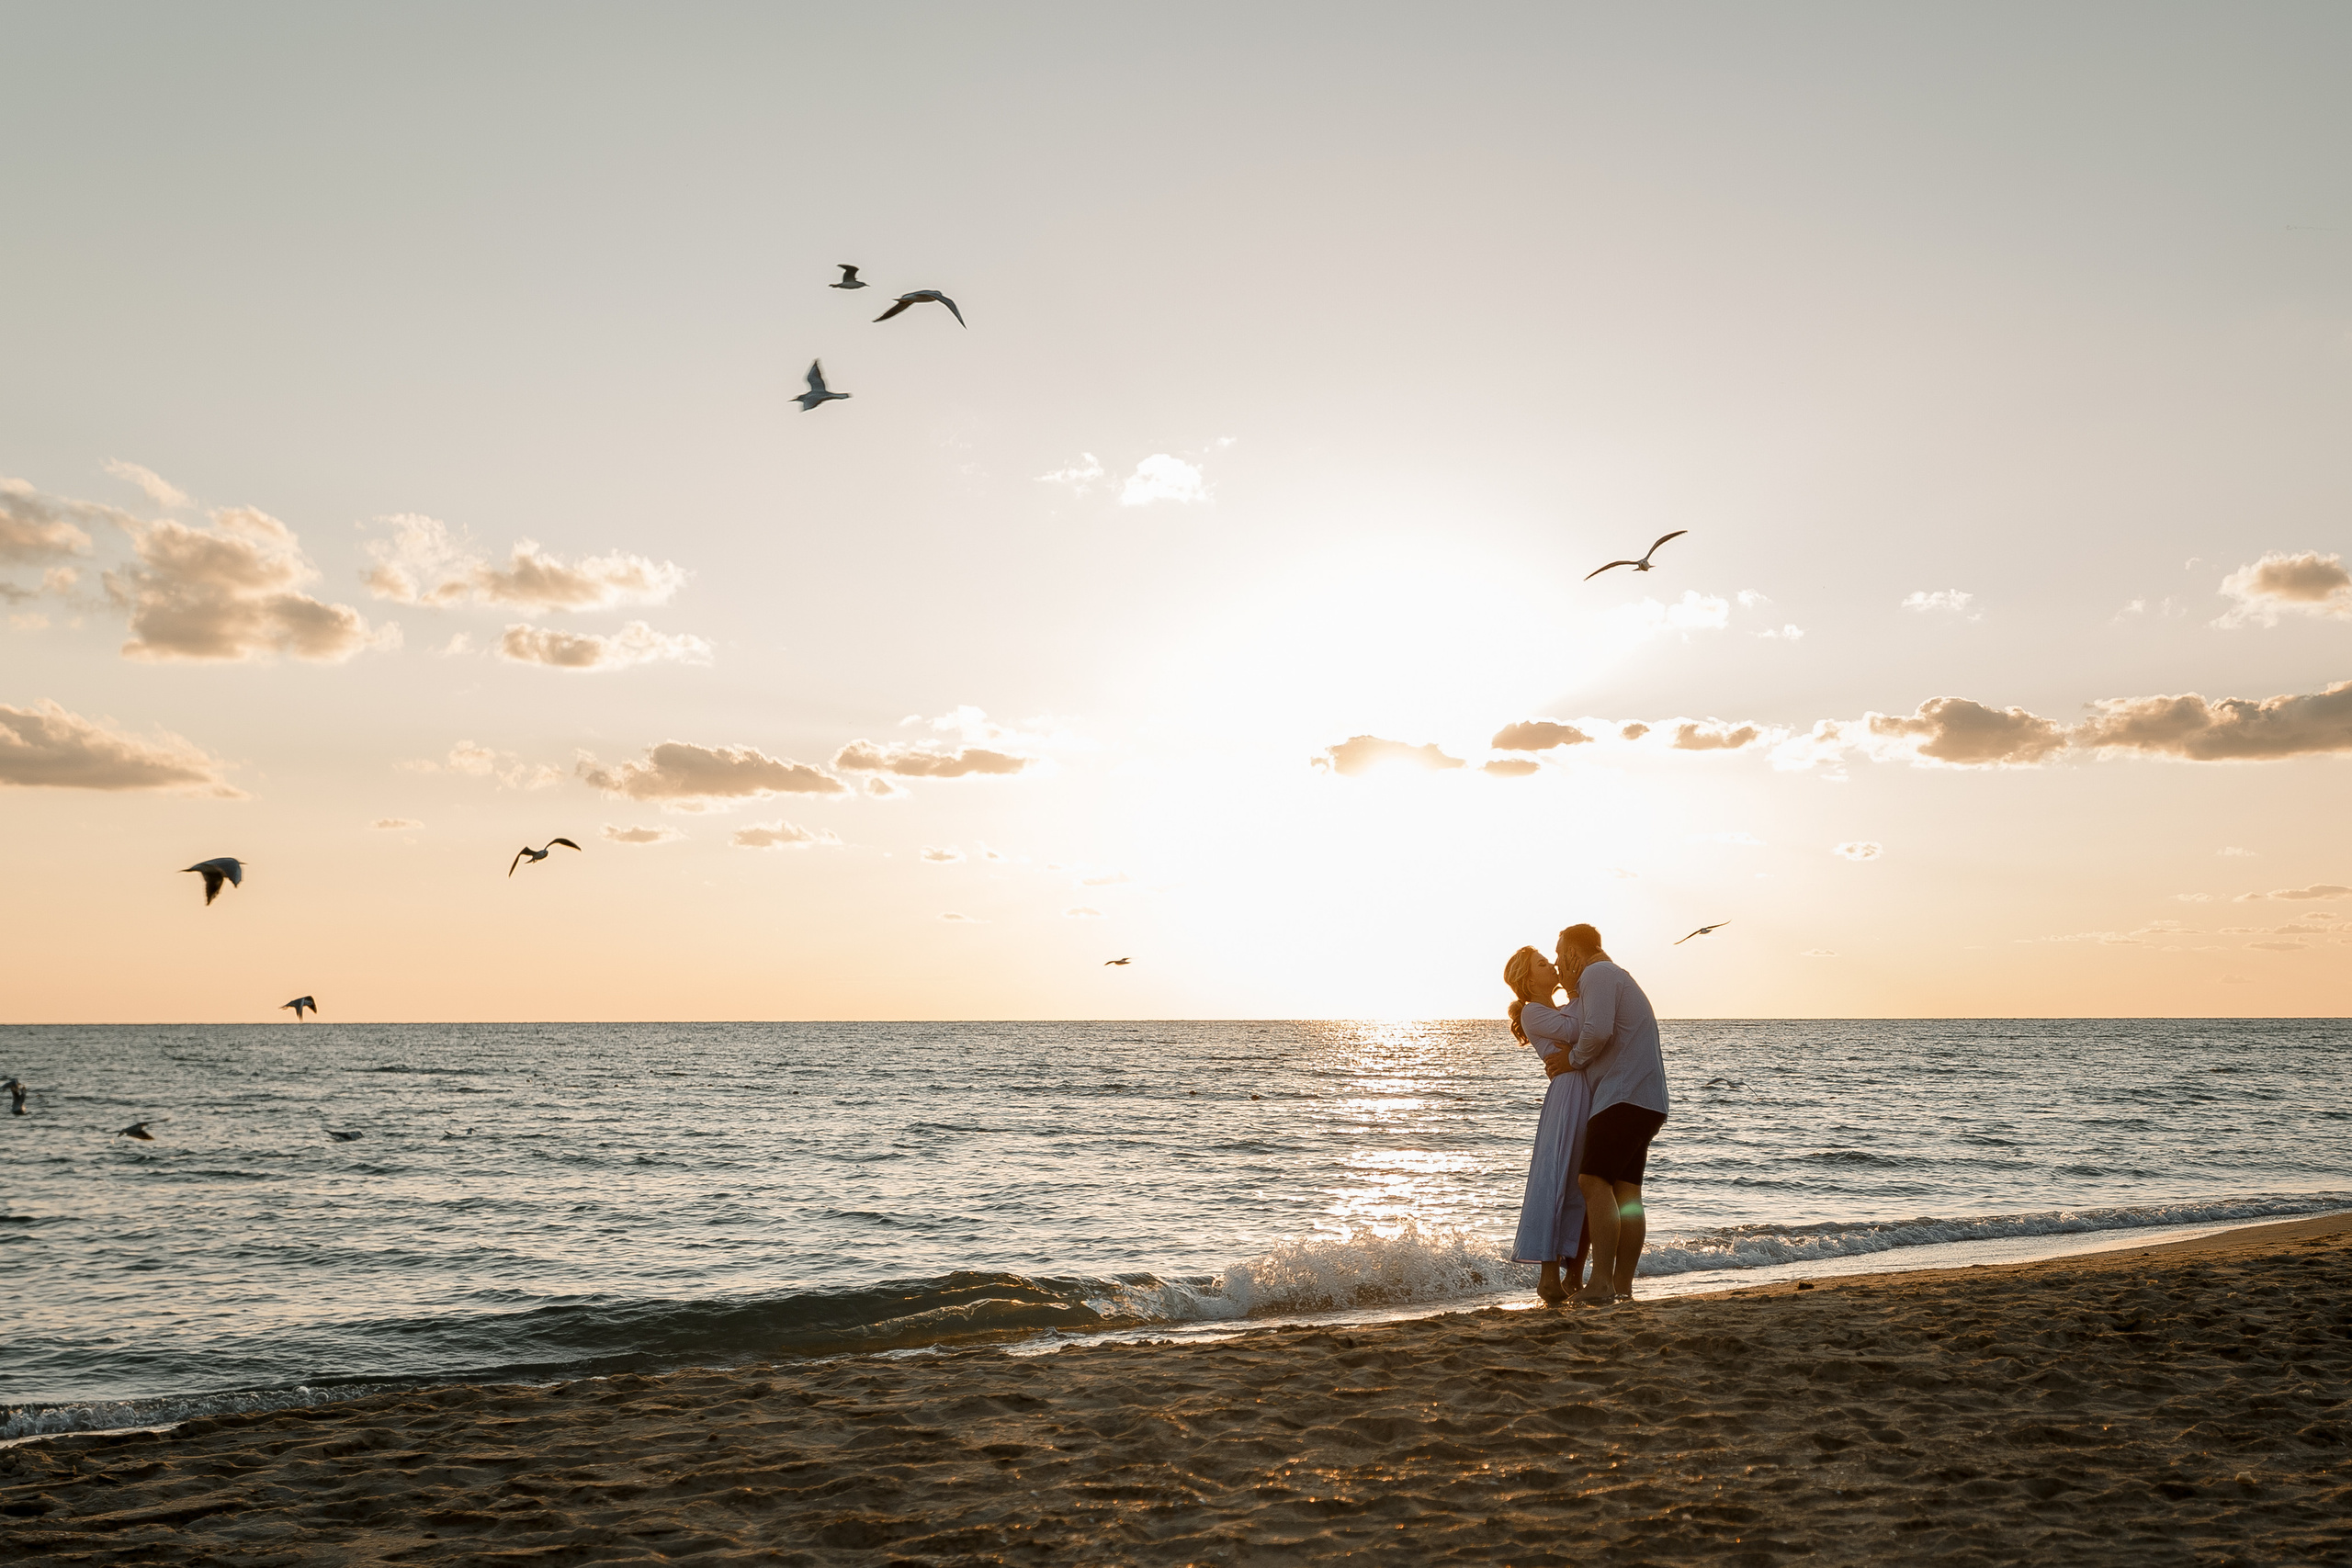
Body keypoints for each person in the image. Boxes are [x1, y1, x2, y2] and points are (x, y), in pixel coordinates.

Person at [1544, 923, 1669, 1306]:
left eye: (1559, 953)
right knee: (1627, 1193)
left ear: (1574, 953)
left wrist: (1572, 1059)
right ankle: (1622, 1286)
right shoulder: (1614, 976)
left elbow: (1597, 1031)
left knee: (1592, 1181)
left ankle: (1601, 1283)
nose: (1557, 962)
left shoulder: (1597, 973)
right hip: (1646, 1099)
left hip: (1622, 1097)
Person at [1502, 947, 1592, 1304]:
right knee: (1557, 1181)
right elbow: (1579, 1029)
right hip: (1568, 1096)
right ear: (1527, 980)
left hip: (1585, 1089)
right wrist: (1577, 989)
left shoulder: (1561, 1007)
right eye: (1542, 964)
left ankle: (1574, 1276)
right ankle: (1549, 1278)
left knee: (1586, 1185)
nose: (1552, 965)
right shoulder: (1532, 1011)